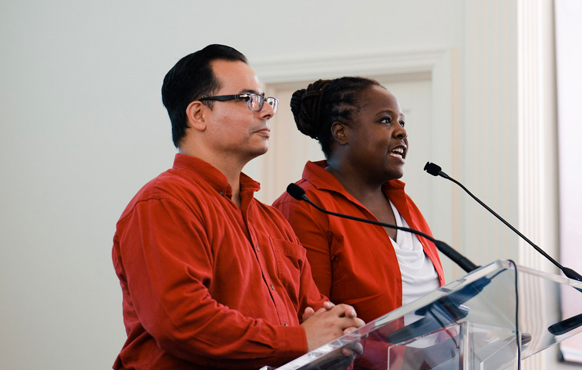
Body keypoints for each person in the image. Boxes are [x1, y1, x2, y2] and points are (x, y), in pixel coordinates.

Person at [111, 45, 363, 370]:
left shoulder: (271, 219)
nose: (267, 111)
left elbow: (313, 312)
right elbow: (181, 321)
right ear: (198, 115)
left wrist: (338, 329)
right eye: (248, 99)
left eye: (265, 100)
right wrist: (300, 340)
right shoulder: (163, 203)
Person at [273, 77, 446, 325]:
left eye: (402, 122)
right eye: (385, 120)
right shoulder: (304, 207)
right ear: (341, 132)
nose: (401, 131)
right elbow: (309, 319)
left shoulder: (403, 204)